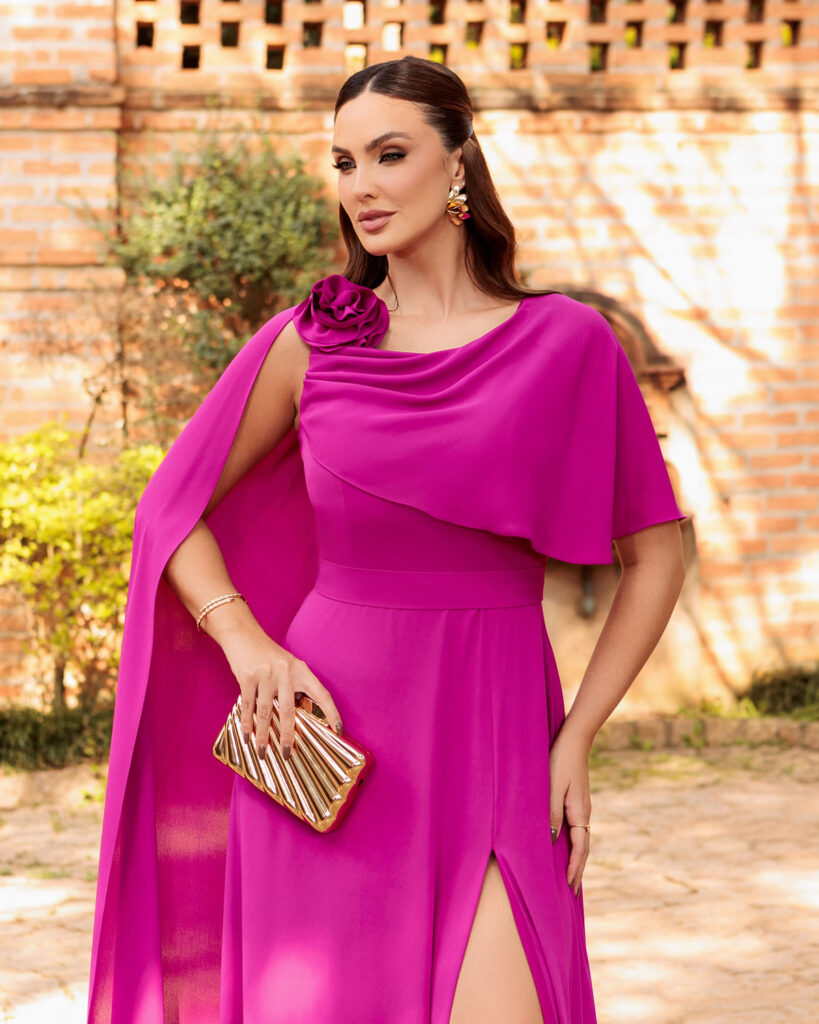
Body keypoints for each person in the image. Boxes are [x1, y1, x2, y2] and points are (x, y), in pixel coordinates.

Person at [87, 55, 686, 1024]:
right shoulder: (311, 344)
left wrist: (577, 733)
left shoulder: (567, 341)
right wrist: (247, 644)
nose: (360, 184)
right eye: (344, 162)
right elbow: (170, 510)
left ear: (458, 162)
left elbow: (656, 551)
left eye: (389, 154)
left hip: (496, 733)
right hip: (326, 742)